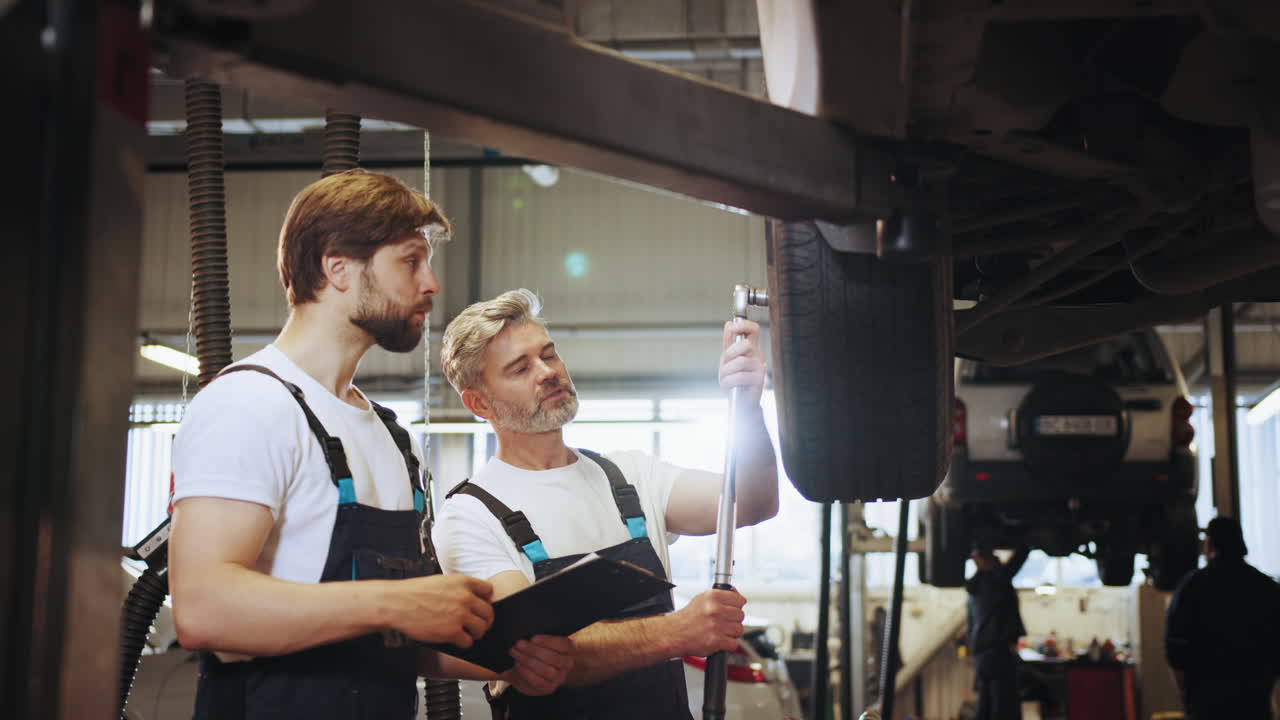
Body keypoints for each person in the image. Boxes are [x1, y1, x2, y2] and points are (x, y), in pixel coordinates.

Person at [168, 170, 573, 720]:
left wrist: (505, 661)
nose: (431, 284)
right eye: (410, 261)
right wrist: (400, 602)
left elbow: (380, 639)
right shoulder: (249, 405)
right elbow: (202, 608)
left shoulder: (389, 435)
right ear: (337, 268)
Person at [432, 288, 780, 719]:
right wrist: (678, 631)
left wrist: (748, 408)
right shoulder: (470, 514)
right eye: (520, 368)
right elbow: (536, 654)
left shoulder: (630, 476)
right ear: (479, 403)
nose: (546, 372)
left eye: (549, 354)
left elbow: (752, 502)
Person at [1164, 516, 1280, 720]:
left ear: (1209, 544)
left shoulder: (1192, 586)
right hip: (1254, 703)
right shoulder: (1267, 587)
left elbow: (1175, 646)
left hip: (1206, 705)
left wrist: (1186, 693)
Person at [966, 543, 1030, 720]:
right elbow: (1019, 558)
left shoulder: (974, 588)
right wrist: (1025, 539)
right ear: (984, 561)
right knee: (1003, 707)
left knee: (985, 706)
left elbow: (970, 624)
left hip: (982, 655)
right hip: (998, 652)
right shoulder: (996, 581)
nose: (999, 560)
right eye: (993, 557)